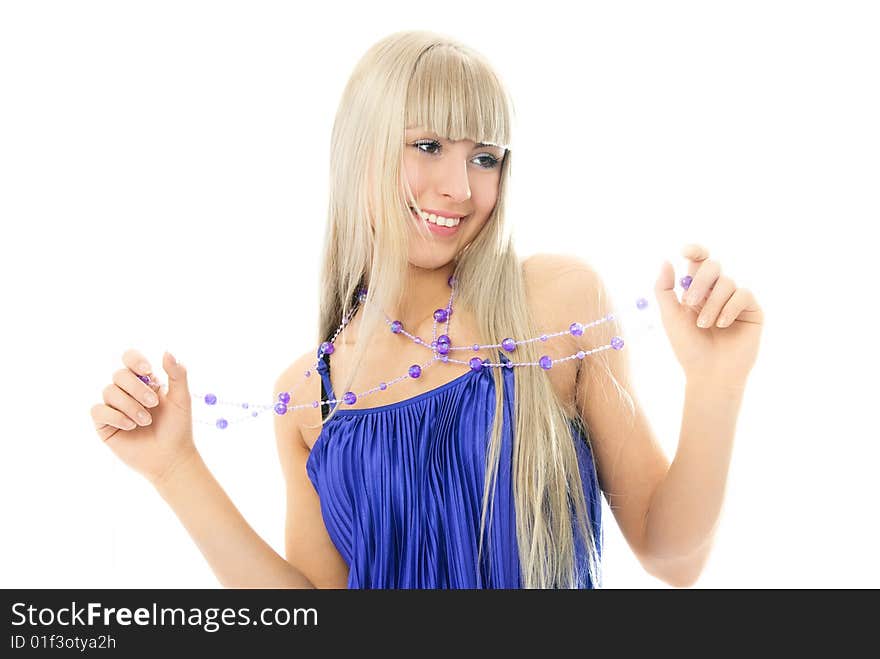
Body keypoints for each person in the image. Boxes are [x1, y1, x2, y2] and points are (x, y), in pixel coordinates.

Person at [89, 30, 764, 589]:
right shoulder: (307, 397)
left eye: (485, 157)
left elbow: (672, 556)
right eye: (428, 145)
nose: (459, 188)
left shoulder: (553, 304)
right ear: (363, 152)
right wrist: (174, 468)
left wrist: (715, 384)